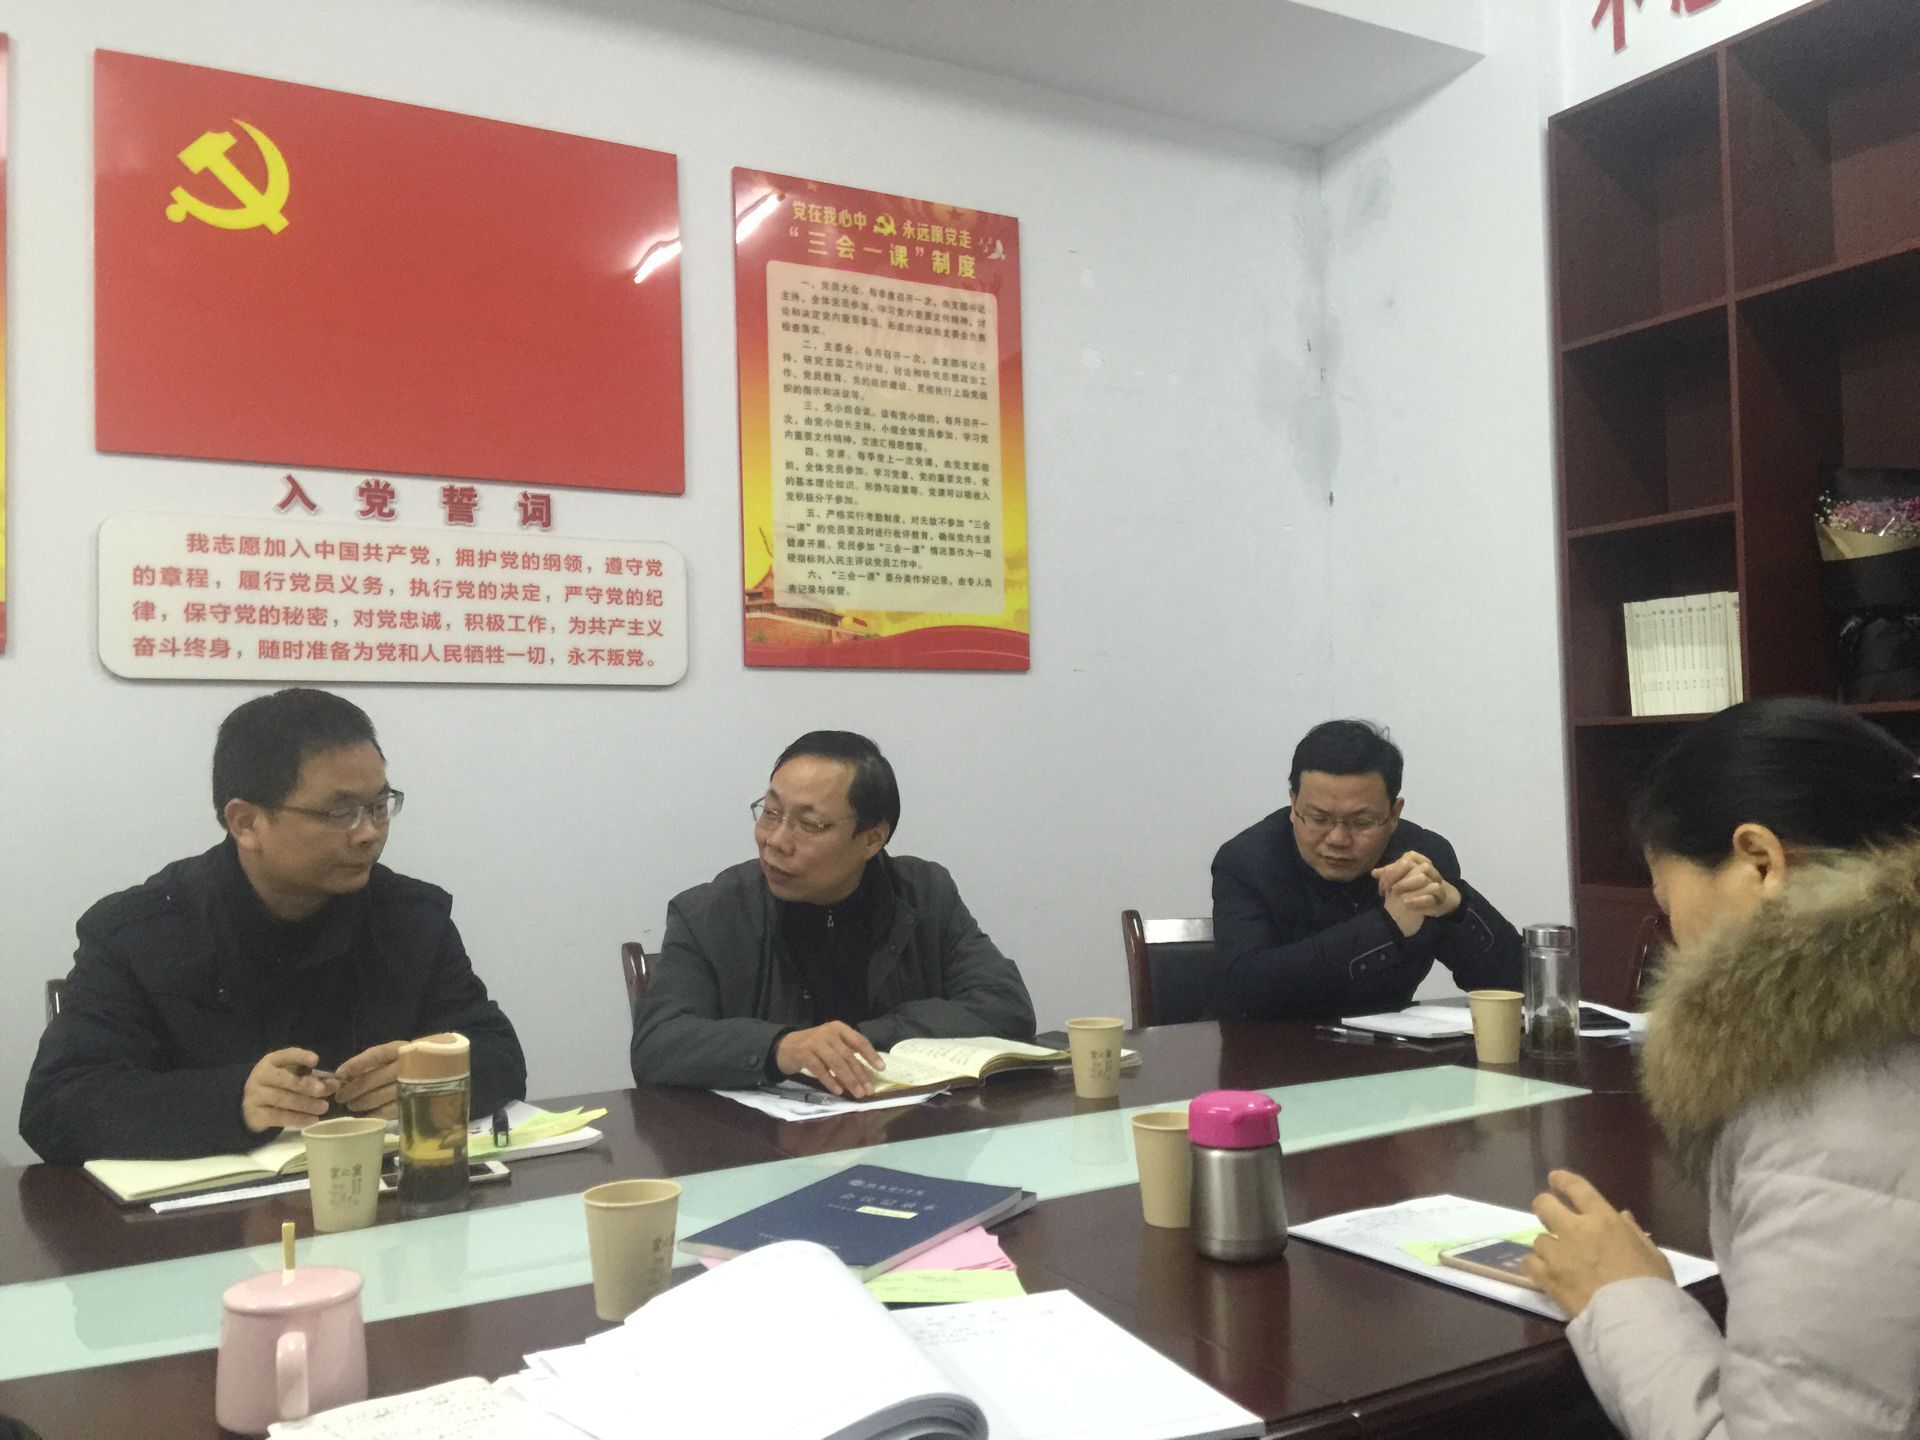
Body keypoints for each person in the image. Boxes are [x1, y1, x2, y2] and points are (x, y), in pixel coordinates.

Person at [1526, 697, 1920, 1439]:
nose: (1675, 941)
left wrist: (1622, 1295)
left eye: (1668, 905)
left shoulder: (1830, 1104)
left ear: (1760, 861)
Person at [20, 688, 526, 1166]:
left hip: (387, 1197)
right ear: (245, 823)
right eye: (340, 812)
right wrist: (235, 1101)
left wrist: (432, 1078)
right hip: (207, 1217)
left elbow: (500, 1054)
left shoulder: (411, 917)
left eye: (378, 806)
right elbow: (57, 1104)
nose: (369, 833)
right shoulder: (139, 933)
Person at [630, 730, 1036, 1096]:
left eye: (810, 824)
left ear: (871, 839)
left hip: (906, 1129)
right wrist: (781, 1047)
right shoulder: (710, 912)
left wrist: (857, 1041)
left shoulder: (925, 894)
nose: (775, 840)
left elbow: (1005, 1007)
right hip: (763, 1141)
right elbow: (658, 1044)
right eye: (770, 812)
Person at [1211, 719, 1522, 1019]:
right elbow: (1249, 987)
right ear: (1294, 805)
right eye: (1319, 818)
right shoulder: (1247, 861)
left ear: (1394, 814)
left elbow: (1518, 986)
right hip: (1264, 1049)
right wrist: (1386, 928)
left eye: (1361, 822)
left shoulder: (1421, 856)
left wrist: (1457, 907)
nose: (1337, 839)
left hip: (1388, 1049)